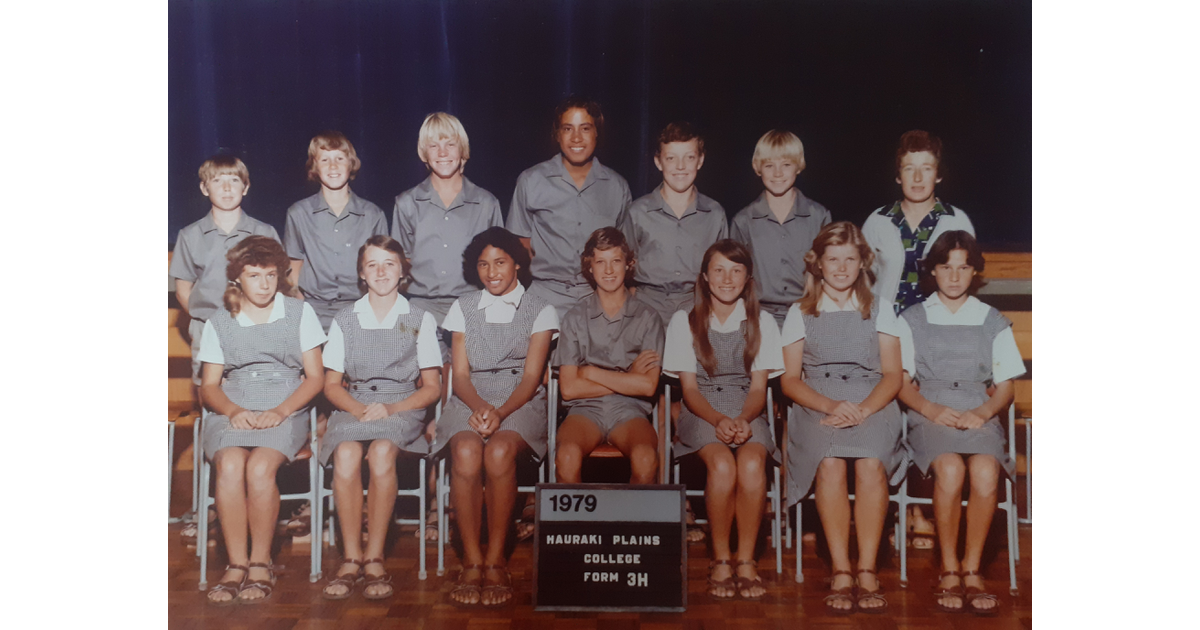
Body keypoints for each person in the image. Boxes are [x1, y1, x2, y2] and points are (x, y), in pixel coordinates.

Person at [781, 222, 907, 614]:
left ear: (862, 263)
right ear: (817, 264)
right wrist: (830, 406)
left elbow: (892, 375)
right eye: (832, 259)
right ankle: (840, 568)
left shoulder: (881, 309)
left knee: (871, 464)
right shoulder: (800, 311)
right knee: (830, 463)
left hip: (872, 400)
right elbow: (789, 380)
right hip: (819, 402)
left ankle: (867, 568)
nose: (841, 268)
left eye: (850, 259)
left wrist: (865, 409)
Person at [896, 230, 1023, 616]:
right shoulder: (913, 318)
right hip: (930, 410)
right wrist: (930, 410)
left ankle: (972, 570)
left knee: (986, 471)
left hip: (976, 410)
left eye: (963, 267)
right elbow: (900, 382)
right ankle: (948, 568)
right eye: (946, 267)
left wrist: (982, 413)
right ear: (933, 271)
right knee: (950, 469)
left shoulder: (991, 320)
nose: (954, 276)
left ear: (974, 272)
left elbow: (1004, 388)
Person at [392, 112, 504, 540]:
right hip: (419, 316)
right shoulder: (406, 203)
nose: (442, 152)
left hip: (470, 316)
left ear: (463, 151)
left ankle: (461, 508)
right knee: (427, 410)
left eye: (450, 144)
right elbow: (396, 271)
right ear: (423, 153)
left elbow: (496, 268)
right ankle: (436, 508)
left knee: (459, 409)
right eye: (434, 145)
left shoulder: (486, 202)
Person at [861, 129, 975, 551]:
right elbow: (864, 284)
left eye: (926, 168)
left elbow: (962, 279)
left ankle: (921, 507)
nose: (918, 177)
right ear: (898, 175)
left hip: (937, 331)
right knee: (892, 414)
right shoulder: (876, 221)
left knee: (925, 413)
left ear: (938, 175)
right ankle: (893, 509)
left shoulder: (955, 221)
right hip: (889, 331)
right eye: (909, 168)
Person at [197, 236, 326, 604]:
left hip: (285, 402)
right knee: (232, 463)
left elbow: (315, 377)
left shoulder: (300, 313)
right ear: (238, 278)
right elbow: (209, 386)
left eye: (271, 275)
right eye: (255, 276)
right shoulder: (220, 321)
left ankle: (259, 562)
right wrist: (233, 412)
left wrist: (282, 411)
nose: (265, 284)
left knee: (258, 468)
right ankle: (235, 564)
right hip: (233, 403)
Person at [434, 227, 558, 607]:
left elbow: (532, 378)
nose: (492, 272)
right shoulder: (463, 307)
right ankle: (471, 560)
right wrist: (479, 408)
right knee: (468, 452)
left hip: (520, 401)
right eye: (483, 264)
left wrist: (500, 412)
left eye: (500, 262)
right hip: (470, 398)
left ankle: (495, 561)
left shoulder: (541, 310)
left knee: (500, 453)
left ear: (517, 264)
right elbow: (462, 375)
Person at [318, 235, 443, 600]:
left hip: (401, 406)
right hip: (354, 404)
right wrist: (358, 410)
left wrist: (389, 409)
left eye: (389, 263)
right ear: (361, 274)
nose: (381, 271)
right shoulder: (346, 319)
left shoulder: (414, 319)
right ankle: (351, 557)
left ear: (403, 271)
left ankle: (375, 556)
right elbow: (331, 385)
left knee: (383, 452)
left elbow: (431, 386)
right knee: (345, 453)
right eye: (372, 264)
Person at [662, 240, 784, 600]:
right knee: (722, 465)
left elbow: (759, 389)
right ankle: (721, 557)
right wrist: (717, 420)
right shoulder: (683, 321)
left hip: (747, 407)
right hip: (702, 409)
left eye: (736, 270)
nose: (727, 279)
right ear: (705, 276)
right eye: (718, 270)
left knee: (749, 464)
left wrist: (745, 419)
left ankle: (746, 559)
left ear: (747, 278)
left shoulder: (763, 322)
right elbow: (689, 390)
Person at [170, 154, 280, 543]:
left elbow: (276, 282)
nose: (227, 188)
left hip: (255, 328)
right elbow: (184, 286)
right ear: (205, 188)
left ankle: (264, 500)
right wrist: (210, 323)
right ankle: (211, 505)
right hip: (208, 330)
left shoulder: (263, 230)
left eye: (234, 181)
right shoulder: (190, 235)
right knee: (214, 412)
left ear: (246, 186)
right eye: (219, 182)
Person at [554, 227, 664, 484]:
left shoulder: (648, 317)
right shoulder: (575, 316)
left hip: (630, 411)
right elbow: (569, 389)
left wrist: (590, 372)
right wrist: (628, 378)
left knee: (646, 457)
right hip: (584, 411)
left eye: (616, 261)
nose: (609, 270)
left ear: (629, 264)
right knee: (567, 455)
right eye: (600, 262)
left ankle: (631, 525)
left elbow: (647, 386)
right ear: (589, 267)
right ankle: (575, 526)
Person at [507, 96, 632, 320]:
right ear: (557, 134)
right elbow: (519, 246)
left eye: (585, 128)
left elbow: (625, 251)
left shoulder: (617, 186)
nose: (576, 138)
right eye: (568, 129)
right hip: (544, 297)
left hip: (598, 297)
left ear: (597, 133)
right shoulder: (531, 180)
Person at [620, 122, 727, 323]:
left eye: (689, 157)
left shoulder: (714, 214)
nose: (680, 166)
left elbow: (723, 269)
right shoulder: (638, 212)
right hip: (647, 307)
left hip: (699, 306)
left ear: (700, 160)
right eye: (671, 158)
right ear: (658, 162)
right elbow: (623, 266)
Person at [284, 130, 390, 330]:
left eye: (340, 158)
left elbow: (382, 270)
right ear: (315, 167)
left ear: (351, 164)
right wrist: (299, 312)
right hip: (314, 311)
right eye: (324, 160)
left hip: (362, 309)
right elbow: (294, 266)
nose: (333, 166)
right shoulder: (298, 213)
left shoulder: (373, 214)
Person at [729, 129, 831, 326]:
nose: (777, 173)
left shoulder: (818, 216)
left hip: (807, 314)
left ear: (798, 166)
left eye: (786, 164)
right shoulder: (743, 221)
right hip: (758, 317)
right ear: (757, 168)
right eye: (769, 165)